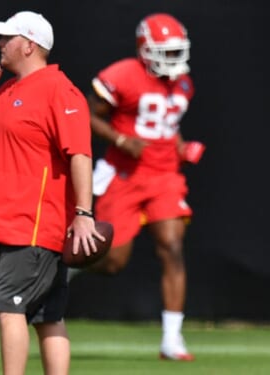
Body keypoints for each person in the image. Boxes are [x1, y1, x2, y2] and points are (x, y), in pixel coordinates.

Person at [0, 10, 104, 375]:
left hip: (34, 224)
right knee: (46, 316)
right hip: (10, 223)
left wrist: (84, 214)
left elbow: (80, 154)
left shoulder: (59, 89)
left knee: (9, 308)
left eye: (8, 37)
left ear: (30, 45)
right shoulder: (6, 90)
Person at [77, 13, 205, 361]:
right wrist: (120, 138)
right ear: (145, 50)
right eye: (166, 50)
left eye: (177, 50)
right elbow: (85, 114)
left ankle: (171, 340)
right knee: (113, 260)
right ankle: (70, 266)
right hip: (125, 176)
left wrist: (180, 146)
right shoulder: (122, 75)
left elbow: (168, 124)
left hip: (165, 176)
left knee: (172, 247)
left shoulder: (182, 82)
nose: (174, 59)